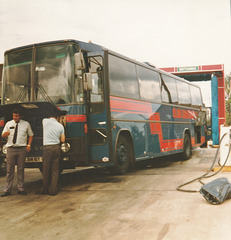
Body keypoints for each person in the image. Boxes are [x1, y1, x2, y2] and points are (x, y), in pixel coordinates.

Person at [1, 108, 33, 197]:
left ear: (20, 116)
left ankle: (21, 188)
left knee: (20, 169)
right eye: (14, 116)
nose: (15, 118)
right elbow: (3, 135)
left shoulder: (26, 124)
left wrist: (29, 145)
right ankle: (7, 190)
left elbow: (31, 135)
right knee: (9, 170)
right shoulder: (9, 124)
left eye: (17, 116)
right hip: (11, 149)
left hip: (21, 149)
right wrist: (5, 135)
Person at [37, 111, 65, 196]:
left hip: (47, 148)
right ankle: (53, 190)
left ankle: (45, 189)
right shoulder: (60, 126)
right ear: (57, 117)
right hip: (56, 148)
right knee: (55, 170)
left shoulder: (45, 121)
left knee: (46, 169)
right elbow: (63, 140)